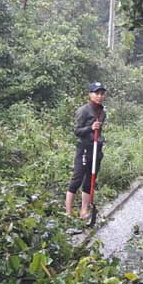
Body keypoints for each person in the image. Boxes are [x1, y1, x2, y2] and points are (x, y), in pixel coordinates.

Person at [65, 82, 106, 218]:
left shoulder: (102, 112)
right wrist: (90, 128)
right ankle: (68, 212)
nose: (99, 96)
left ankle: (84, 211)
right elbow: (77, 131)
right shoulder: (84, 110)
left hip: (96, 149)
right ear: (90, 94)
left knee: (90, 180)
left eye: (102, 94)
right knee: (77, 179)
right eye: (96, 93)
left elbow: (99, 131)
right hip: (84, 148)